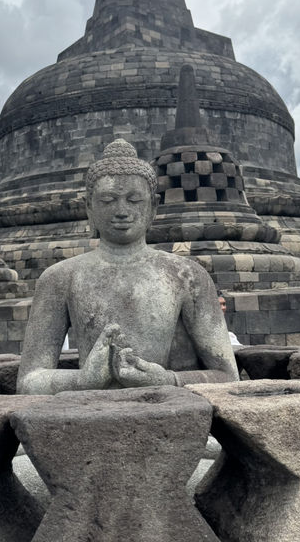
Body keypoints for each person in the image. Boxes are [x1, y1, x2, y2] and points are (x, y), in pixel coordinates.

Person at [17, 139, 239, 394]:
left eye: (134, 200)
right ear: (89, 207)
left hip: (168, 411)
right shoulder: (60, 278)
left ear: (153, 207)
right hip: (88, 412)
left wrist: (168, 380)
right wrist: (81, 381)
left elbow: (228, 376)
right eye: (108, 200)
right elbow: (28, 381)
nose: (121, 211)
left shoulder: (186, 276)